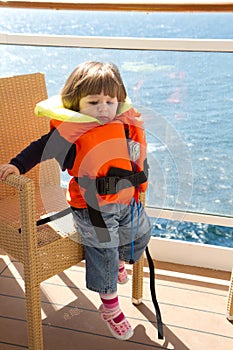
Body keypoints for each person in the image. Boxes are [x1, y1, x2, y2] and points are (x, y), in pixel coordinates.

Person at [0, 61, 151, 340]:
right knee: (103, 250)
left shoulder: (124, 124)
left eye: (109, 101)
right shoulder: (72, 132)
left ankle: (121, 258)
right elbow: (40, 148)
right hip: (92, 206)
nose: (103, 108)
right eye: (93, 102)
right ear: (75, 103)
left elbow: (134, 156)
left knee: (141, 234)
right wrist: (17, 165)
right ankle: (110, 307)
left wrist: (138, 177)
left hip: (126, 199)